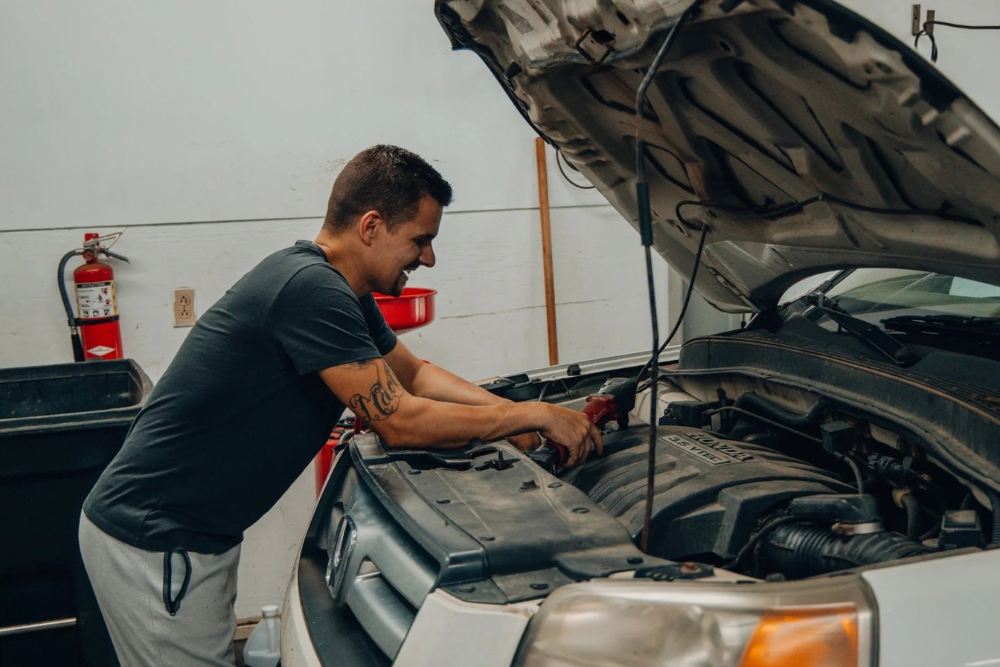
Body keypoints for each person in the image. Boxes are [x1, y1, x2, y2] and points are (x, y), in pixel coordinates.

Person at [79, 145, 602, 666]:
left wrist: (516, 415)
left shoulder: (342, 292)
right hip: (155, 540)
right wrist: (527, 416)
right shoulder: (311, 290)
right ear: (372, 226)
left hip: (195, 537)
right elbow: (398, 419)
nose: (428, 258)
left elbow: (415, 374)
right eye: (421, 240)